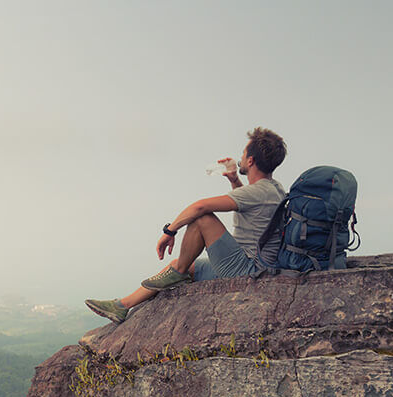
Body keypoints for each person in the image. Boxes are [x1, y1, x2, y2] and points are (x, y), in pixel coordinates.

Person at [86, 127, 287, 324]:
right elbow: (247, 203)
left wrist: (169, 231)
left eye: (243, 154)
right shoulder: (273, 188)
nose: (240, 158)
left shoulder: (258, 192)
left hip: (248, 269)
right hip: (254, 264)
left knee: (203, 219)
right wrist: (234, 179)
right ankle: (122, 306)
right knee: (178, 265)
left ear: (250, 161)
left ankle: (178, 273)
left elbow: (199, 207)